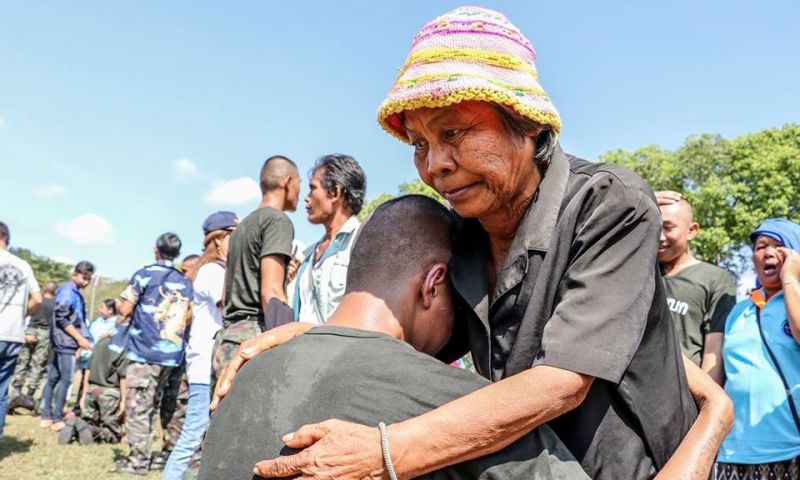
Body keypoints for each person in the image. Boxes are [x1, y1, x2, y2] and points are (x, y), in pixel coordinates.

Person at [213, 7, 730, 479]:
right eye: (420, 143)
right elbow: (403, 339)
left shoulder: (607, 204)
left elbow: (562, 380)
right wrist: (310, 336)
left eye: (454, 133)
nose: (433, 163)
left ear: (525, 123)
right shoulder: (465, 237)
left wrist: (387, 453)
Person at [207, 197, 732, 480]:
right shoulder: (471, 413)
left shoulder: (244, 373)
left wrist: (313, 336)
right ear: (435, 283)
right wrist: (714, 416)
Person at [716, 218, 800, 479]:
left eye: (779, 246)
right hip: (732, 453)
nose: (768, 253)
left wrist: (791, 280)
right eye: (761, 246)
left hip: (791, 449)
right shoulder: (740, 310)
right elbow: (718, 375)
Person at [211, 155, 300, 387]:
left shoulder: (242, 228)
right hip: (252, 336)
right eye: (301, 184)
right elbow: (270, 291)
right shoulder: (276, 221)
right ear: (288, 181)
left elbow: (224, 295)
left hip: (226, 337)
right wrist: (287, 345)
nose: (302, 192)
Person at [163, 211, 238, 480]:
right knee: (194, 433)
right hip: (205, 362)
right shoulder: (211, 271)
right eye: (234, 235)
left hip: (212, 362)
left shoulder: (221, 270)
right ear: (219, 239)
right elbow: (230, 303)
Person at [111, 232, 194, 475]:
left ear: (156, 250)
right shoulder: (184, 281)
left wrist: (121, 307)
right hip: (172, 355)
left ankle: (138, 461)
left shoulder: (144, 274)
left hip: (145, 353)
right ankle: (159, 455)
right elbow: (188, 314)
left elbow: (126, 309)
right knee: (163, 406)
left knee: (139, 407)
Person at [656, 192, 736, 385]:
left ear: (692, 230)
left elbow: (713, 352)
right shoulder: (639, 270)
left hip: (682, 393)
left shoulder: (715, 279)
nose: (659, 236)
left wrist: (708, 404)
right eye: (654, 226)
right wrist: (642, 197)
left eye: (668, 228)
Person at [293, 154, 366, 324]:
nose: (306, 197)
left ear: (334, 193)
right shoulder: (308, 257)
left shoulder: (363, 242)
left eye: (313, 188)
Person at [40, 261, 94, 432]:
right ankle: (56, 417)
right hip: (65, 342)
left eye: (89, 279)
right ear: (74, 275)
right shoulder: (67, 291)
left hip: (64, 341)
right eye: (84, 277)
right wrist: (80, 339)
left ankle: (47, 416)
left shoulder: (75, 292)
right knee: (66, 379)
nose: (86, 282)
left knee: (53, 378)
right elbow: (62, 317)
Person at [0, 221, 42, 440]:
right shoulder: (23, 265)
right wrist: (20, 315)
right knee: (1, 392)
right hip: (12, 335)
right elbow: (37, 299)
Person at [60, 333, 129, 445]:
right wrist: (123, 401)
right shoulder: (124, 348)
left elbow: (88, 370)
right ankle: (91, 430)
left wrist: (83, 395)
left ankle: (77, 428)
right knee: (113, 434)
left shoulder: (99, 343)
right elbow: (123, 376)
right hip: (110, 393)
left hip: (92, 391)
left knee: (89, 421)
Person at [9, 281, 56, 413]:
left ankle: (17, 390)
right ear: (55, 291)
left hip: (31, 329)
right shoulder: (55, 304)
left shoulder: (37, 300)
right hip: (45, 332)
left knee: (23, 361)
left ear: (43, 289)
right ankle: (30, 394)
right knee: (38, 364)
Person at [74, 298, 120, 416]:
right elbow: (87, 336)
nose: (100, 310)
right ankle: (78, 409)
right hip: (88, 356)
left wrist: (107, 336)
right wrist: (80, 349)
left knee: (95, 385)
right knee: (83, 382)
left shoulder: (116, 323)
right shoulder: (97, 322)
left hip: (102, 360)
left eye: (102, 307)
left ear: (110, 310)